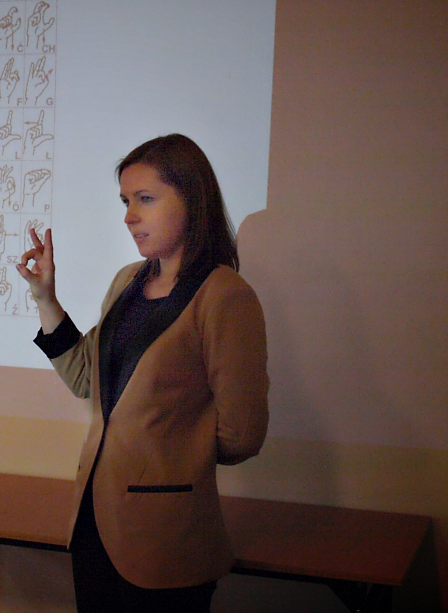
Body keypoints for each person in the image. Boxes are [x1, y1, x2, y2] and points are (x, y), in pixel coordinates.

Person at [17, 133, 269, 613]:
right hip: (94, 522)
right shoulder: (127, 281)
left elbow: (243, 434)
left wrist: (173, 458)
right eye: (126, 201)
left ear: (191, 199)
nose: (129, 216)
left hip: (168, 537)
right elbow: (85, 378)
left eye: (145, 199)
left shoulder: (225, 295)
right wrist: (45, 298)